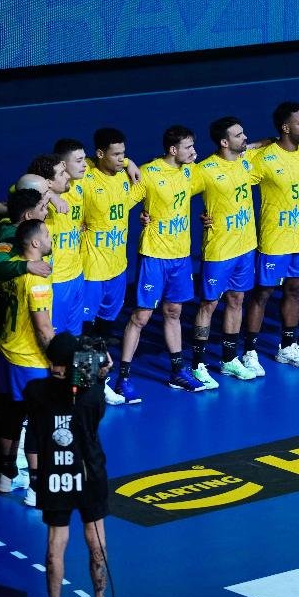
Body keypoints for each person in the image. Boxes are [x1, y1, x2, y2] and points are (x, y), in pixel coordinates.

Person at [25, 332, 113, 597]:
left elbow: (34, 436)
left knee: (55, 543)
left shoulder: (35, 391)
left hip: (55, 476)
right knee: (96, 540)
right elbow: (96, 410)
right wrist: (101, 375)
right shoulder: (93, 394)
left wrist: (36, 476)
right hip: (90, 474)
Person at [116, 126, 208, 396]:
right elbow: (123, 203)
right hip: (154, 256)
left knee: (174, 312)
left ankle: (177, 372)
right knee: (142, 316)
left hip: (181, 257)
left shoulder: (190, 170)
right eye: (189, 147)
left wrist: (208, 215)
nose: (194, 152)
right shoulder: (149, 173)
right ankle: (123, 377)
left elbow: (216, 179)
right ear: (172, 150)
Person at [0, 188, 52, 487]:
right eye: (43, 208)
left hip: (6, 344)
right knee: (28, 414)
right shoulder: (18, 252)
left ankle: (3, 471)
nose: (48, 212)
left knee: (9, 409)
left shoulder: (13, 236)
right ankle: (31, 482)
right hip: (22, 351)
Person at [243, 102, 299, 369]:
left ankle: (287, 346)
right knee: (263, 294)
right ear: (286, 128)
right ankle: (249, 351)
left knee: (295, 290)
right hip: (274, 239)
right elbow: (231, 174)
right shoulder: (264, 158)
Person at [189, 117, 260, 382]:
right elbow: (178, 194)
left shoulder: (246, 161)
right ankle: (197, 364)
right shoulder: (205, 169)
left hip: (246, 246)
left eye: (244, 134)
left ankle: (229, 359)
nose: (244, 138)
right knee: (209, 304)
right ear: (223, 142)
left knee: (237, 300)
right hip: (219, 250)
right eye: (238, 135)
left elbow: (264, 144)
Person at [80, 128, 146, 403]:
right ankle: (84, 388)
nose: (122, 159)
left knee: (106, 330)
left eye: (124, 153)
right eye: (116, 154)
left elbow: (142, 187)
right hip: (91, 271)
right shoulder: (84, 179)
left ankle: (100, 381)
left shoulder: (122, 178)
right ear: (99, 154)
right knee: (85, 332)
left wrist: (129, 163)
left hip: (118, 269)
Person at [0, 218, 54, 494]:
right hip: (29, 359)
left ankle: (5, 474)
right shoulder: (37, 280)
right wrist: (58, 358)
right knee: (37, 423)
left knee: (12, 414)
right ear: (35, 243)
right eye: (46, 234)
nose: (50, 236)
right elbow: (43, 328)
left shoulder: (12, 264)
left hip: (6, 350)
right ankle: (36, 485)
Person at [48, 140, 89, 336]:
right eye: (79, 160)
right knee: (54, 338)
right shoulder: (40, 192)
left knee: (74, 335)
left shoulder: (79, 182)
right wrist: (50, 195)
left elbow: (107, 159)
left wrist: (128, 163)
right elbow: (23, 184)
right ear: (63, 165)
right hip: (56, 280)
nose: (85, 164)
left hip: (77, 275)